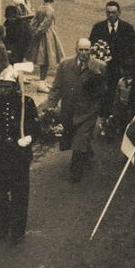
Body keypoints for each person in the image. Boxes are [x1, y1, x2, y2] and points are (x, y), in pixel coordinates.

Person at [0, 67, 40, 244]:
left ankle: (18, 229)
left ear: (14, 87)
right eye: (1, 86)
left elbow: (36, 127)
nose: (3, 90)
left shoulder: (26, 102)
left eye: (7, 87)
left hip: (19, 154)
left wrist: (29, 138)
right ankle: (5, 223)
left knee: (19, 193)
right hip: (1, 153)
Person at [49, 38, 108, 182]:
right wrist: (51, 104)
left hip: (88, 111)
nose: (83, 53)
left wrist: (96, 76)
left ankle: (75, 172)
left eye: (86, 50)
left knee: (80, 139)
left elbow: (103, 91)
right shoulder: (65, 64)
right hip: (69, 110)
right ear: (76, 49)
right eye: (81, 49)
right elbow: (57, 87)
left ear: (91, 50)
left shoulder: (99, 66)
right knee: (73, 137)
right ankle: (87, 152)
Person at [89, 1, 135, 127]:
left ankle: (115, 122)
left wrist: (131, 71)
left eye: (113, 12)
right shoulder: (98, 27)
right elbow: (91, 48)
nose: (111, 15)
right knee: (102, 95)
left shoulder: (127, 28)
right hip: (103, 70)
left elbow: (134, 51)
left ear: (119, 13)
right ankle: (102, 121)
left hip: (120, 70)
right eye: (108, 12)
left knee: (117, 98)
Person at [27, 0, 64, 88]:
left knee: (43, 59)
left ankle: (43, 80)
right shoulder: (50, 10)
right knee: (45, 60)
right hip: (47, 36)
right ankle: (41, 82)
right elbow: (46, 24)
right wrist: (38, 32)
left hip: (40, 35)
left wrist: (34, 32)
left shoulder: (40, 7)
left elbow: (33, 22)